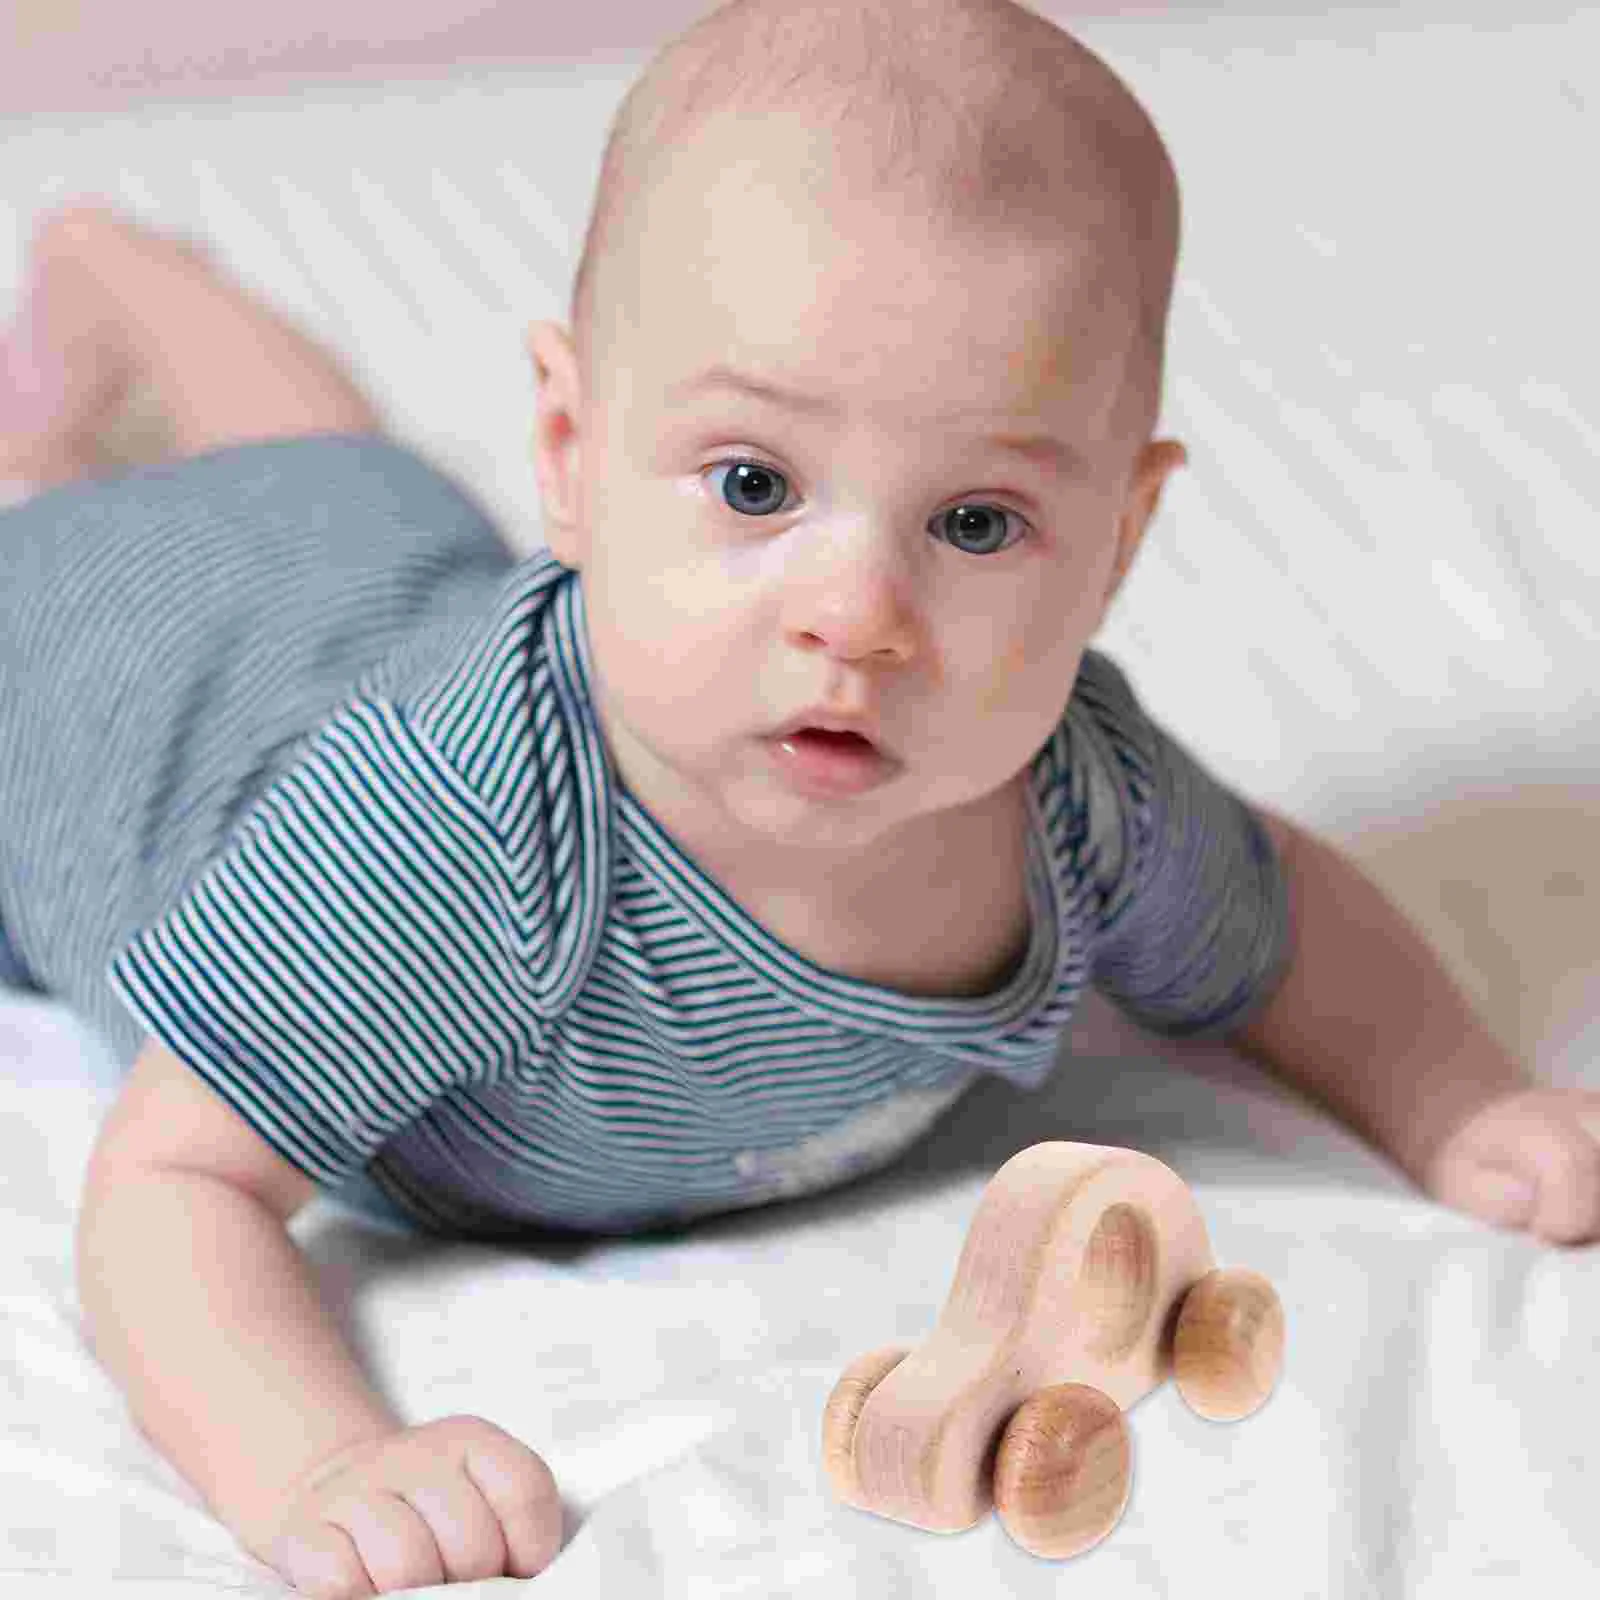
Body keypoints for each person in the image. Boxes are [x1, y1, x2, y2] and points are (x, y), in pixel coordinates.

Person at [3, 0, 1596, 1593]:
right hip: (84, 688)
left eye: (976, 521)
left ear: (1117, 538)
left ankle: (133, 311)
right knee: (270, 502)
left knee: (342, 493)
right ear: (570, 448)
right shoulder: (465, 833)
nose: (859, 615)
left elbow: (1283, 926)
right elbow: (173, 1183)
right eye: (755, 484)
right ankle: (113, 310)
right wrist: (319, 1456)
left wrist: (1457, 1098)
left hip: (367, 574)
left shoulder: (1075, 807)